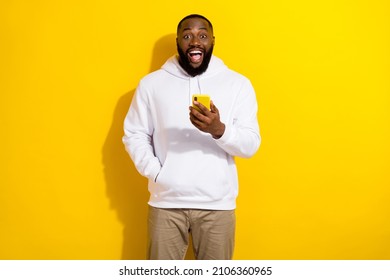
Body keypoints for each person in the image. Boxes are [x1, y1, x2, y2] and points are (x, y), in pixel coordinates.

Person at [122, 14, 261, 260]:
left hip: (217, 206)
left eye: (202, 35)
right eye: (187, 36)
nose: (195, 41)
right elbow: (134, 133)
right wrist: (157, 173)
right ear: (178, 41)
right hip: (166, 204)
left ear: (213, 41)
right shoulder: (151, 84)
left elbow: (250, 144)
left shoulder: (238, 84)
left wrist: (219, 129)